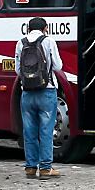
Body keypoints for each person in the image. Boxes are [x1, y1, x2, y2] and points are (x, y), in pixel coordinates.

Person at [16, 15, 65, 180]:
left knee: (29, 131)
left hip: (27, 92)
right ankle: (45, 168)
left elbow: (18, 70)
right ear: (45, 29)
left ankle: (30, 167)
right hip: (47, 91)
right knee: (46, 130)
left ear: (28, 29)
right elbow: (58, 66)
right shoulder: (49, 41)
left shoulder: (21, 43)